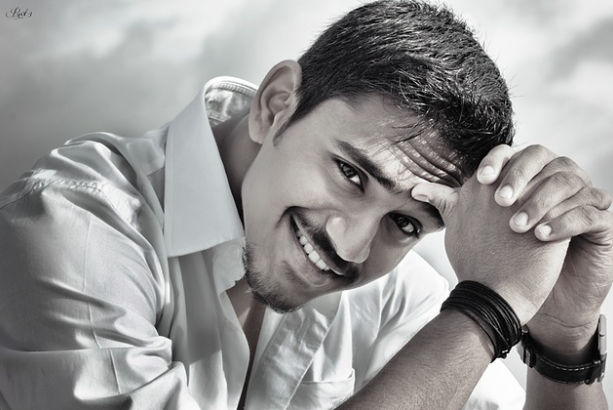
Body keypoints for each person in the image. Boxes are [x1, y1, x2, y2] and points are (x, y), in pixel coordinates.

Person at [0, 0, 611, 409]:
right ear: (276, 104)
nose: (350, 247)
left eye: (405, 222)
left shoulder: (394, 294)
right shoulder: (74, 221)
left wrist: (564, 338)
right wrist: (487, 310)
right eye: (351, 174)